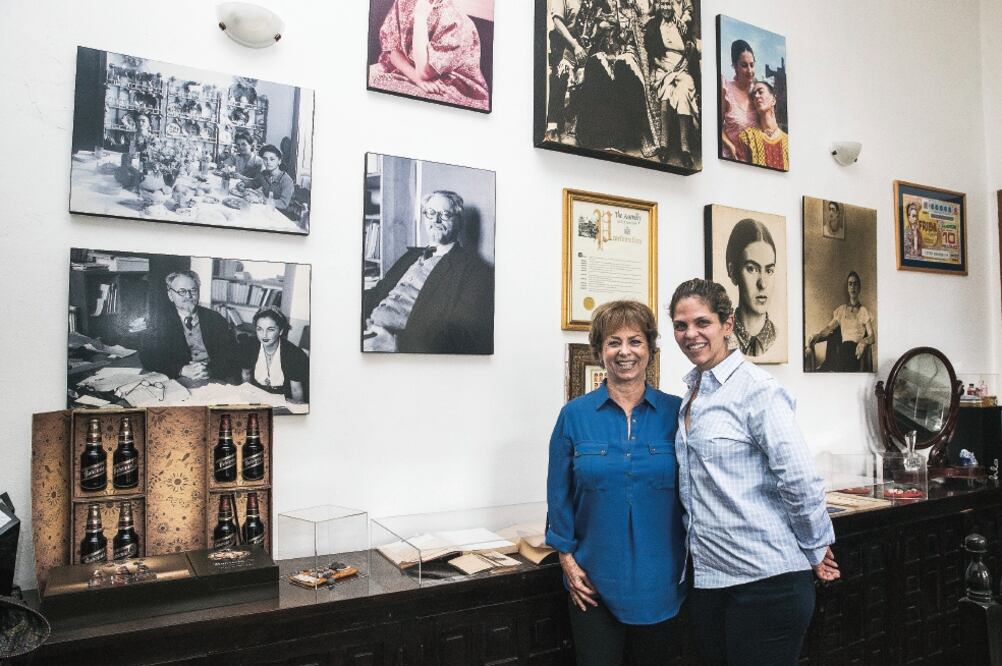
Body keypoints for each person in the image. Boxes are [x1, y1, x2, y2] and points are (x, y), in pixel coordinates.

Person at [669, 278, 838, 665]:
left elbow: (798, 478)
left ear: (727, 324)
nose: (690, 334)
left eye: (702, 323)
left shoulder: (758, 390)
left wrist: (815, 546)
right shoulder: (692, 391)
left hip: (767, 583)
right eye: (681, 325)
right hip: (712, 579)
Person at [546, 300, 685, 665]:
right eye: (613, 342)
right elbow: (558, 493)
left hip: (664, 585)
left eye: (635, 341)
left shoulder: (678, 413)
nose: (625, 352)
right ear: (599, 351)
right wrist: (567, 560)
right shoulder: (573, 415)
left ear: (651, 350)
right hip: (591, 585)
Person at [362, 190, 494, 354]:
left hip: (397, 350)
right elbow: (378, 291)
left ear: (459, 222)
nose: (436, 220)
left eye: (445, 214)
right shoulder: (411, 255)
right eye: (431, 213)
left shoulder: (473, 271)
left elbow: (464, 335)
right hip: (366, 333)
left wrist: (398, 345)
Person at [370, 0, 490, 110]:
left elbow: (424, 73)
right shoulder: (404, 2)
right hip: (407, 70)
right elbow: (392, 50)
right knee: (369, 78)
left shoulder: (455, 20)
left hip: (449, 85)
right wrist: (415, 77)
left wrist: (420, 18)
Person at [140, 271, 238, 386]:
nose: (188, 296)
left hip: (214, 378)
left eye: (193, 290)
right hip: (177, 379)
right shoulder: (158, 321)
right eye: (182, 291)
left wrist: (209, 370)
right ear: (170, 295)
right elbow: (148, 357)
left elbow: (230, 355)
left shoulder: (215, 319)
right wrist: (181, 370)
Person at [644, 0, 698, 167]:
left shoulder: (682, 25)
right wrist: (662, 66)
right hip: (663, 67)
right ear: (659, 6)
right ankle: (663, 145)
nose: (666, 8)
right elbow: (650, 52)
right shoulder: (653, 25)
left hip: (682, 67)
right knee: (666, 96)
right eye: (663, 4)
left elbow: (691, 48)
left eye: (669, 4)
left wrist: (690, 47)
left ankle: (685, 148)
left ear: (674, 6)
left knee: (683, 96)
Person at [725, 217, 777, 358]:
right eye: (752, 269)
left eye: (769, 270)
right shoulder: (721, 340)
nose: (763, 284)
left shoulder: (779, 339)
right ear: (732, 272)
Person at [806, 271, 875, 372]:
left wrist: (863, 342)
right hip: (843, 349)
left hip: (856, 351)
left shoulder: (863, 311)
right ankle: (831, 369)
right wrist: (818, 335)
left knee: (844, 351)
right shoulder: (841, 310)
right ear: (847, 288)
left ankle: (831, 368)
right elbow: (829, 328)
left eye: (855, 284)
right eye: (850, 284)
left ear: (859, 288)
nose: (853, 287)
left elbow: (872, 336)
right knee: (841, 348)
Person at [241, 307, 309, 403]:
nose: (264, 335)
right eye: (259, 329)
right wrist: (247, 398)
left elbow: (296, 390)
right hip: (257, 397)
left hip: (284, 400)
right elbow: (246, 375)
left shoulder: (294, 354)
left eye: (270, 329)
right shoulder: (248, 346)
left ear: (281, 331)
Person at [543, 0, 587, 142]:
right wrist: (574, 45)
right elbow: (557, 22)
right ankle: (552, 125)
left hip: (584, 42)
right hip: (563, 39)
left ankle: (573, 115)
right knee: (561, 73)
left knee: (592, 71)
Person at [737, 80, 789, 170]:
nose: (756, 96)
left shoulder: (787, 141)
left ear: (773, 99)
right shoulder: (747, 137)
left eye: (760, 92)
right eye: (754, 95)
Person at [719, 39, 757, 160]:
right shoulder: (726, 90)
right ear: (735, 66)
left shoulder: (759, 94)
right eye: (744, 65)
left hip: (755, 161)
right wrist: (730, 146)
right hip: (731, 159)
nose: (750, 70)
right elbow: (716, 127)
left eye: (752, 64)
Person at [241, 144, 294, 212]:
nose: (268, 162)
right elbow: (253, 183)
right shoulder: (264, 174)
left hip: (283, 214)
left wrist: (262, 200)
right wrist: (243, 184)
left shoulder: (286, 181)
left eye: (272, 159)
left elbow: (283, 204)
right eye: (265, 159)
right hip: (267, 209)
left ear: (279, 161)